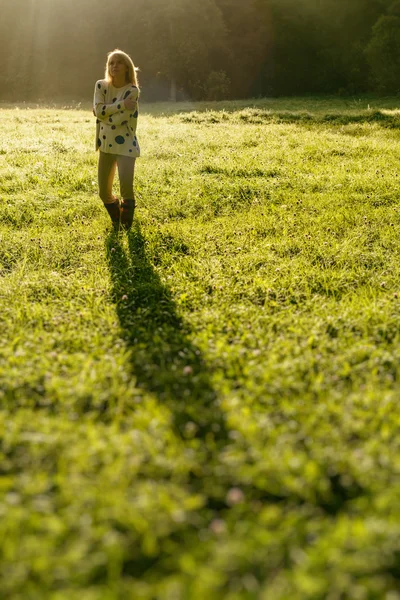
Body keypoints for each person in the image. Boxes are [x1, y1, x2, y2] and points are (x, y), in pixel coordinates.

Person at [93, 49, 140, 230]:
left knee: (126, 191)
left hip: (126, 146)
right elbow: (99, 111)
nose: (114, 66)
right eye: (111, 63)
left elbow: (120, 120)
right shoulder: (101, 86)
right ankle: (117, 218)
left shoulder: (132, 90)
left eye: (119, 62)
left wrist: (104, 111)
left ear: (127, 68)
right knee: (104, 193)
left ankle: (125, 227)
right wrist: (120, 105)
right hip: (105, 144)